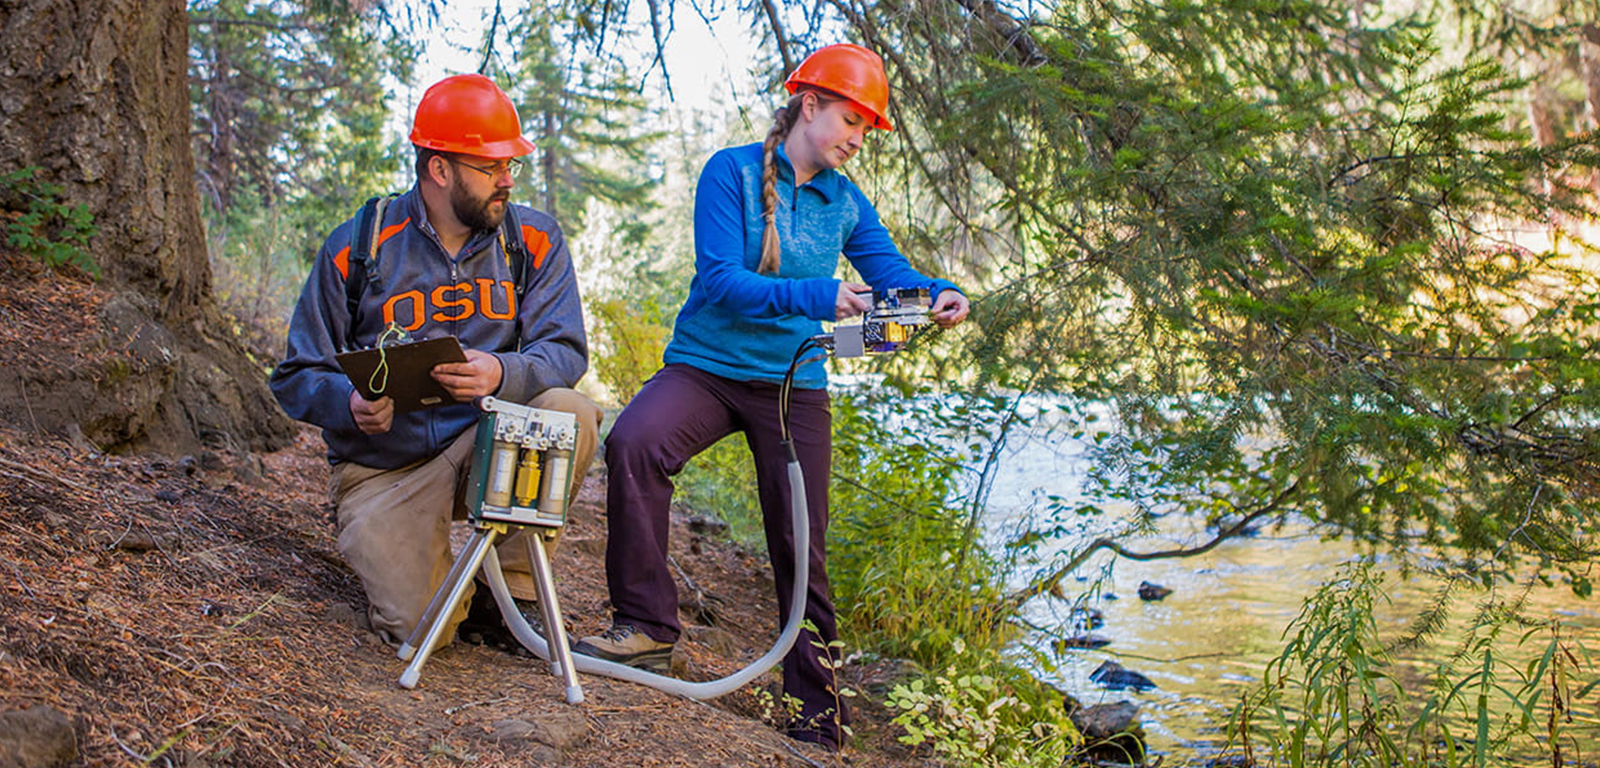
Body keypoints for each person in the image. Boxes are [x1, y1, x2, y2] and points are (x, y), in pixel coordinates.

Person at [573, 44, 970, 750]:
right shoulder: (728, 173)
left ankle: (818, 713)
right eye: (852, 120)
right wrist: (820, 295)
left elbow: (888, 269)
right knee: (634, 442)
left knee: (800, 539)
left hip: (792, 384)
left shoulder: (844, 200)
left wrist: (937, 293)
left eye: (867, 131)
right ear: (810, 105)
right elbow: (722, 279)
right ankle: (645, 630)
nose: (857, 139)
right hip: (707, 366)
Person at [269, 73, 602, 654]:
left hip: (486, 445)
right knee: (425, 634)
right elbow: (297, 375)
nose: (506, 181)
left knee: (567, 413)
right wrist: (348, 405)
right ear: (439, 169)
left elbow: (565, 350)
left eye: (511, 166)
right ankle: (432, 576)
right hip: (384, 470)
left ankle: (514, 590)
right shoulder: (359, 246)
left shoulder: (534, 241)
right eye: (490, 166)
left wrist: (503, 373)